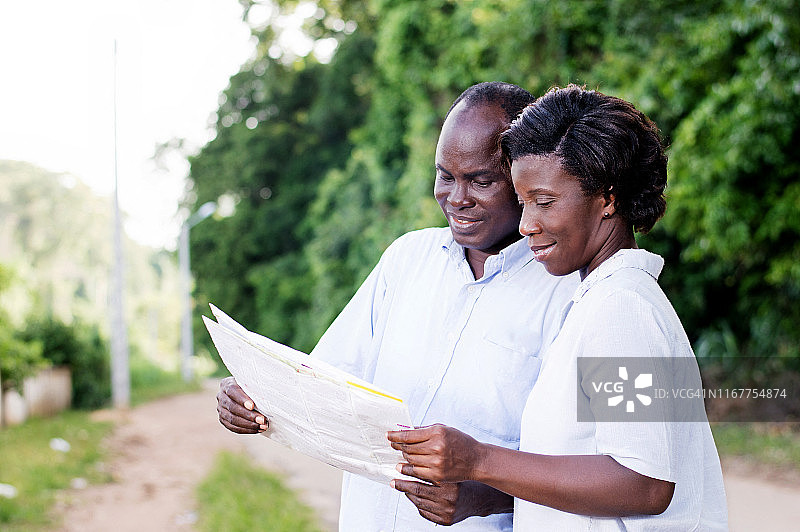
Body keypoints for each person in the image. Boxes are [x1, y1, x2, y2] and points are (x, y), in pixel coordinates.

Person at [216, 82, 579, 530]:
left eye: (481, 181)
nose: (457, 197)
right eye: (446, 175)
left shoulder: (573, 289)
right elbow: (324, 380)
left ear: (527, 179)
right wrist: (256, 394)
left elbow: (618, 475)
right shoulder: (407, 260)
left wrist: (484, 497)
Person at [388, 85, 729, 530]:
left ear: (607, 198)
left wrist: (477, 459)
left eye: (545, 203)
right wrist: (483, 494)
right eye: (524, 202)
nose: (528, 225)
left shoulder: (622, 308)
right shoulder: (596, 299)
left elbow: (645, 482)